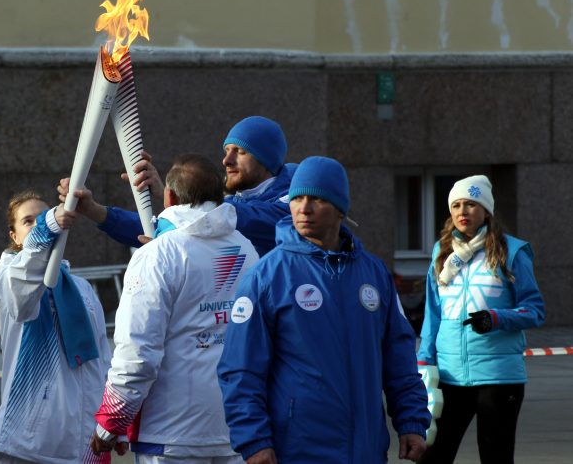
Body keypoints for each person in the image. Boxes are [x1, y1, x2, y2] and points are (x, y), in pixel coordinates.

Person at [217, 156, 430, 464]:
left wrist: (411, 420)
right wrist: (253, 440)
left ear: (340, 208)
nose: (303, 208)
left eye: (316, 199)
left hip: (367, 449)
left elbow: (399, 354)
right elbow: (241, 368)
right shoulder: (266, 276)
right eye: (297, 198)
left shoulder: (374, 273)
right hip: (298, 450)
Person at [89, 154, 259, 464]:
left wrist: (112, 421)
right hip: (235, 429)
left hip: (171, 434)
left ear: (169, 196)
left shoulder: (158, 255)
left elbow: (138, 350)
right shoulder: (246, 249)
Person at [416, 175, 545, 464]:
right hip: (448, 376)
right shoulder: (442, 252)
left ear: (486, 210)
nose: (463, 211)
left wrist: (496, 318)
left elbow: (535, 310)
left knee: (495, 457)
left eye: (472, 204)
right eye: (457, 205)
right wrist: (424, 361)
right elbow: (432, 313)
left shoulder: (512, 251)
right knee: (433, 456)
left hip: (498, 378)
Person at [0, 191, 113, 464]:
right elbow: (25, 283)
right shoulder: (9, 279)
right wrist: (47, 225)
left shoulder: (81, 289)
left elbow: (102, 358)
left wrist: (112, 422)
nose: (37, 224)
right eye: (27, 221)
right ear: (15, 236)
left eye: (41, 217)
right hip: (33, 441)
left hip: (86, 440)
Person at [57, 115, 295, 256]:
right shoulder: (230, 203)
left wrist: (180, 197)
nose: (226, 161)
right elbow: (158, 228)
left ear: (266, 159)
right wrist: (94, 210)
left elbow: (237, 218)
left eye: (240, 152)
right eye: (226, 151)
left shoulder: (293, 203)